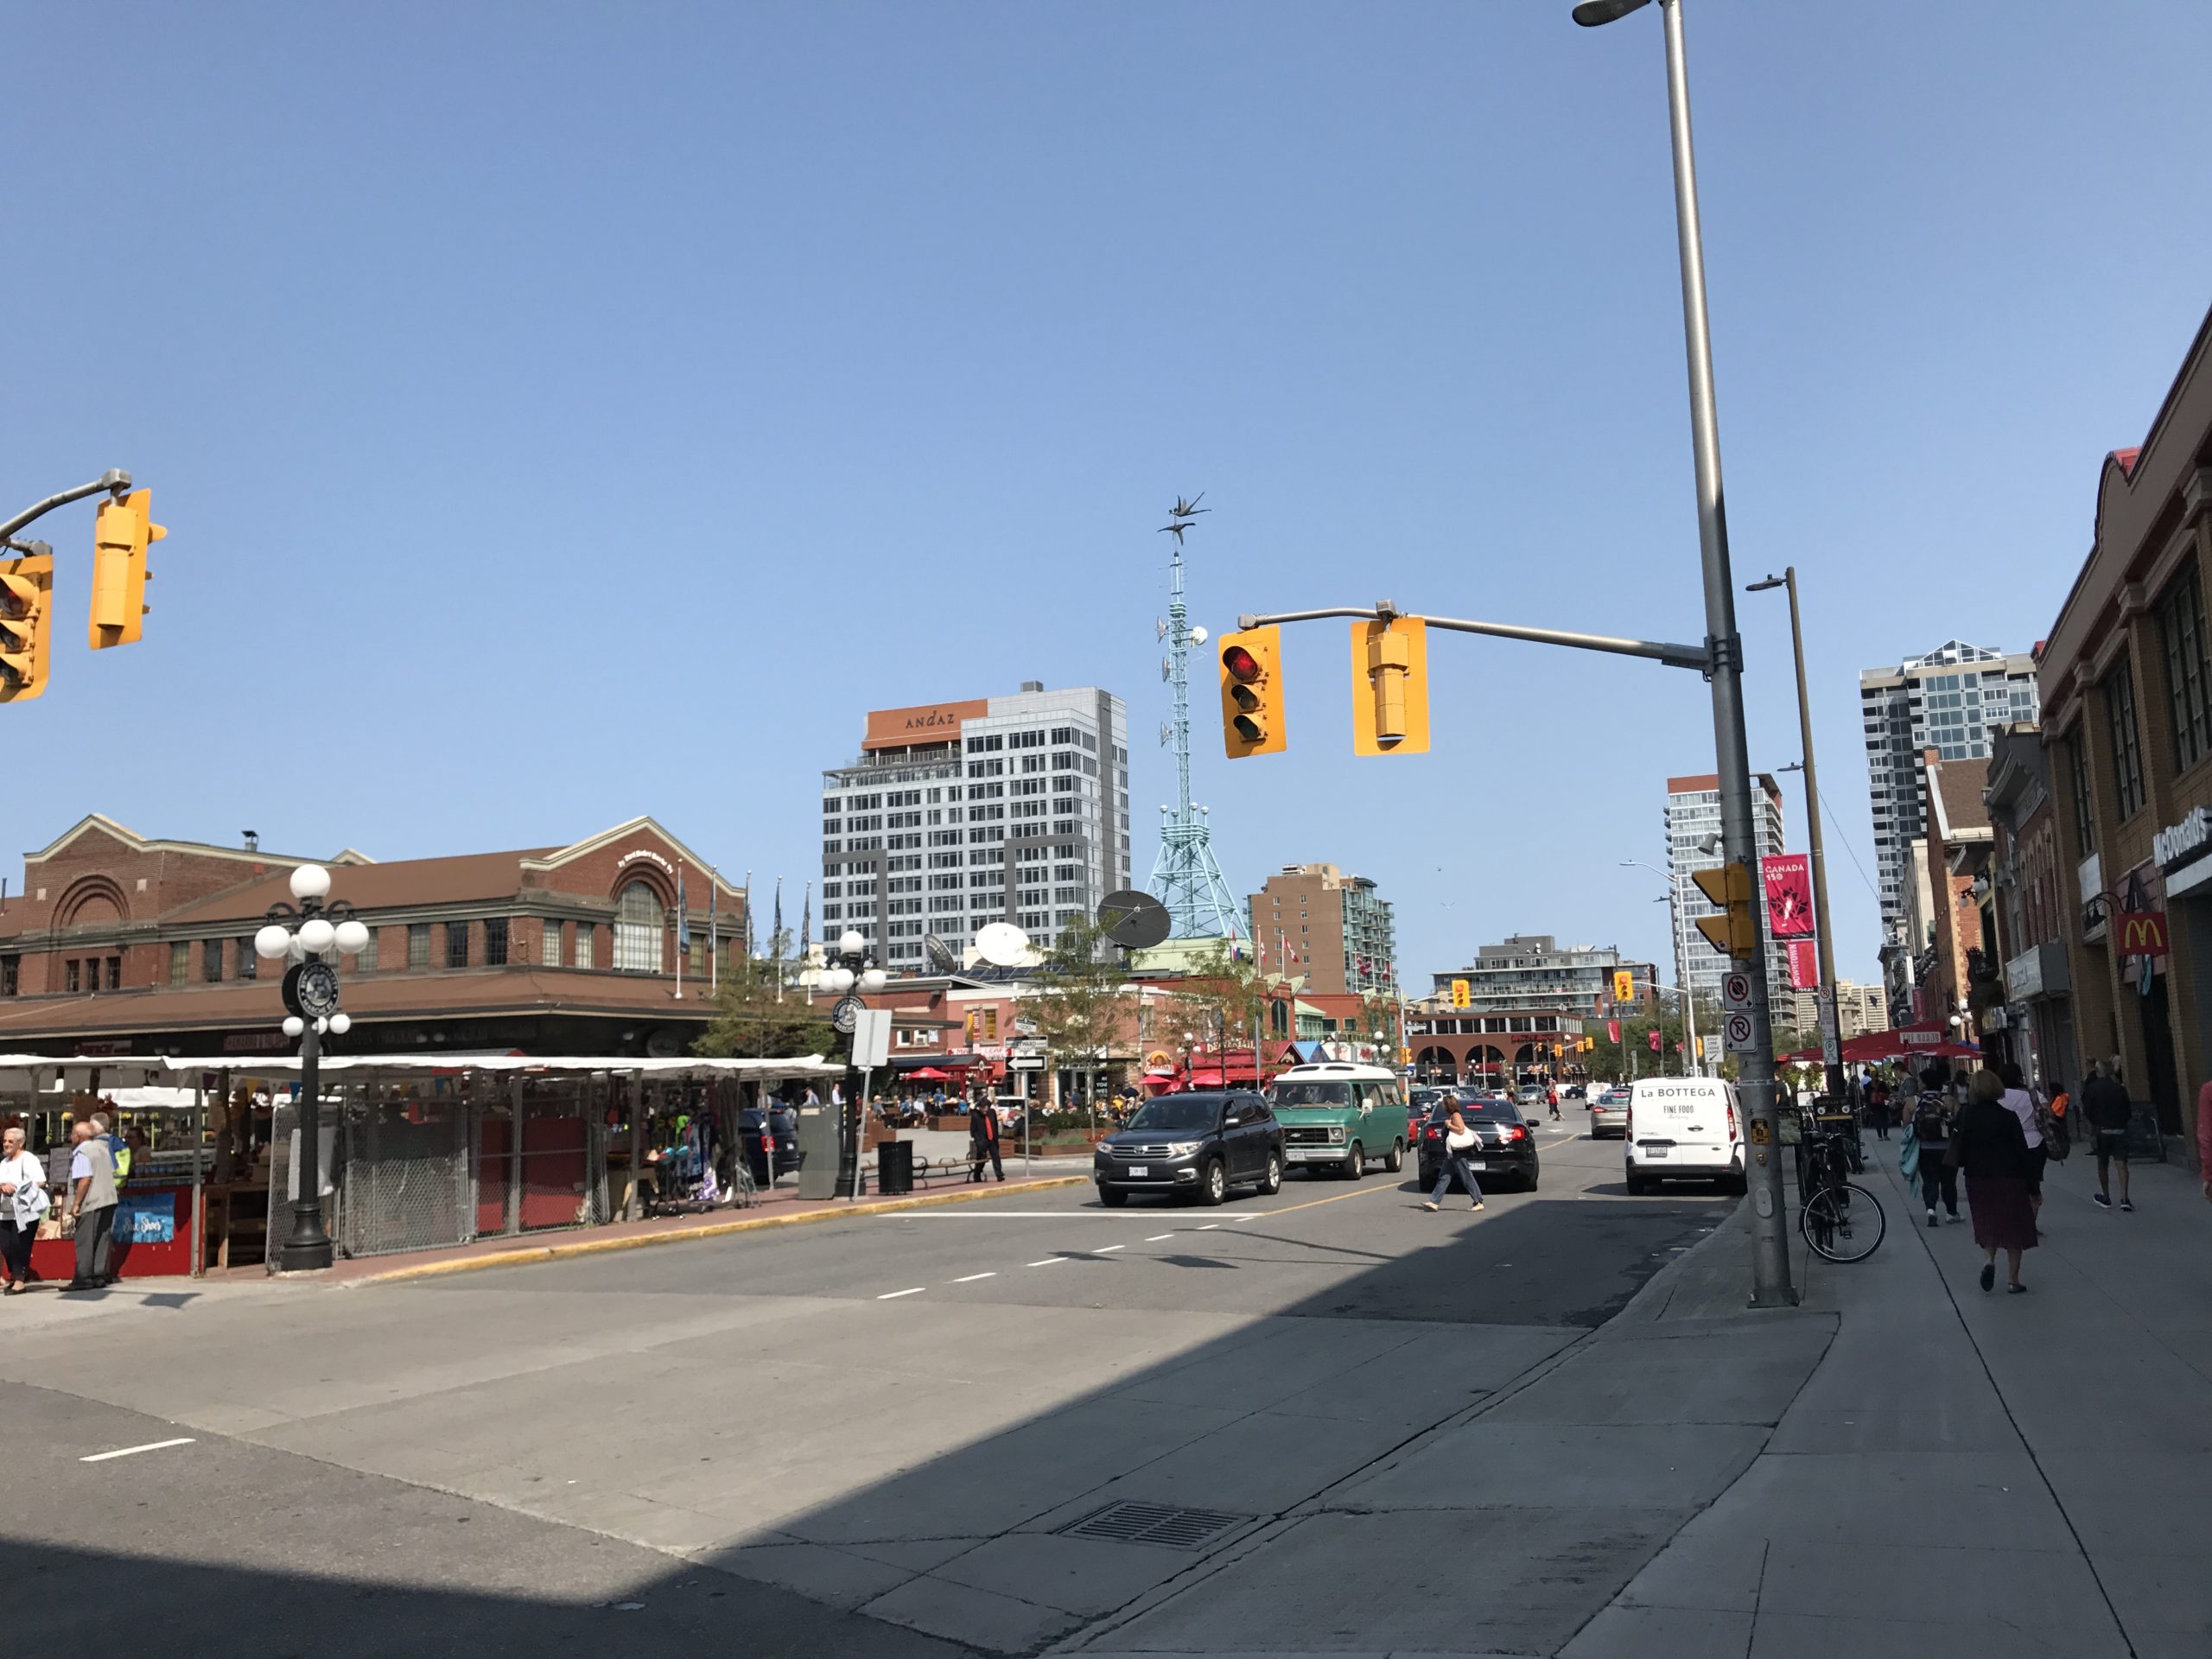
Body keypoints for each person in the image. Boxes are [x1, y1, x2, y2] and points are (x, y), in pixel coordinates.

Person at [1954, 1068, 2038, 1294]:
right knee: (2014, 1227)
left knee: (1987, 1221)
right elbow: (2022, 1152)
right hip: (2009, 1176)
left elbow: (1959, 1148)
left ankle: (1989, 1260)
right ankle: (2013, 1280)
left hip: (1977, 1178)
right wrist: (2033, 1186)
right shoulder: (2008, 1117)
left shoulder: (1965, 1115)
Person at [61, 1119, 119, 1292]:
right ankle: (98, 1275)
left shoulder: (82, 1152)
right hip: (109, 1198)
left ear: (79, 1136)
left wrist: (76, 1204)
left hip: (91, 1201)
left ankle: (83, 1277)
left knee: (85, 1239)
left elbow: (85, 1180)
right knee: (102, 1238)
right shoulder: (103, 1149)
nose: (71, 1137)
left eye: (73, 1133)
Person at [1910, 1065, 1961, 1227]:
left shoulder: (1915, 1101)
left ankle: (1931, 1209)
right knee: (1949, 1181)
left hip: (1925, 1148)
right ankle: (1951, 1213)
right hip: (1947, 1148)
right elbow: (1959, 1121)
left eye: (1919, 1081)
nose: (1918, 1083)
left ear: (1925, 1083)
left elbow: (1907, 1124)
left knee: (1929, 1180)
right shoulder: (1949, 1100)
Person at [0, 1127, 47, 1294]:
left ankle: (19, 1281)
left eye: (10, 1141)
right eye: (4, 1141)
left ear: (20, 1143)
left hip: (26, 1211)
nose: (6, 1144)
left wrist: (16, 1187)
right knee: (5, 1244)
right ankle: (15, 1275)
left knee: (20, 1244)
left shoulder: (29, 1159)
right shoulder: (4, 1162)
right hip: (6, 1210)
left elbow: (40, 1181)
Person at [1997, 1062, 2046, 1220]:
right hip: (2034, 1143)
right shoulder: (2033, 1095)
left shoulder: (1998, 1097)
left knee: (2013, 1184)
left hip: (2008, 1145)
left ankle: (2017, 1221)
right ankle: (2031, 1223)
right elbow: (2047, 1112)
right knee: (2033, 1185)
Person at [2082, 1058, 2133, 1211]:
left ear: (2098, 1072)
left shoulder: (2092, 1089)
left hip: (2102, 1130)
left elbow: (2087, 1110)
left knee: (2102, 1164)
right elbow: (2128, 1110)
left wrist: (2095, 1122)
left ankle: (2106, 1197)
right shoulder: (2120, 1089)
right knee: (2121, 1163)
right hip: (2120, 1129)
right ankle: (2125, 1198)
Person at [1421, 1104, 1484, 1213]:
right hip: (1452, 1153)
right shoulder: (1452, 1116)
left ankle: (1478, 1201)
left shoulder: (1455, 1116)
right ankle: (1434, 1202)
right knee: (1444, 1177)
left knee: (1466, 1176)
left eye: (1444, 1105)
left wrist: (1449, 1125)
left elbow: (1461, 1130)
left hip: (1458, 1153)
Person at [968, 1094, 1003, 1184]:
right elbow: (973, 1131)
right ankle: (977, 1175)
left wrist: (996, 1137)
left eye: (986, 1108)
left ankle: (999, 1175)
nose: (984, 1110)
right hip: (982, 1140)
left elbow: (995, 1125)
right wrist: (978, 1140)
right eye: (982, 1108)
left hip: (992, 1139)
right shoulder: (976, 1115)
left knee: (996, 1156)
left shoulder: (992, 1113)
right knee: (981, 1159)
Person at [1866, 1076, 1891, 1141]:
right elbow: (1888, 1093)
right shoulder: (1882, 1083)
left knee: (1877, 1120)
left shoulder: (1868, 1085)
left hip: (1874, 1105)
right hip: (1883, 1104)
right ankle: (1885, 1135)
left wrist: (1869, 1107)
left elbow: (1867, 1096)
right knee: (1885, 1120)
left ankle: (1880, 1136)